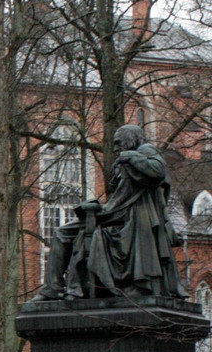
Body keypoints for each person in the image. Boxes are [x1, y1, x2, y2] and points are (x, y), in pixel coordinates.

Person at [34, 124, 186, 301]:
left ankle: (53, 289)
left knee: (63, 233)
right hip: (118, 215)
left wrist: (129, 156)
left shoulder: (146, 149)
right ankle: (56, 288)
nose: (115, 148)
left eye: (119, 142)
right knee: (63, 233)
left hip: (129, 217)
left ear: (130, 138)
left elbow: (158, 172)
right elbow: (121, 197)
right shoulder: (130, 159)